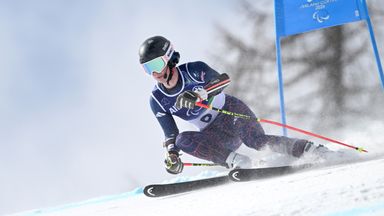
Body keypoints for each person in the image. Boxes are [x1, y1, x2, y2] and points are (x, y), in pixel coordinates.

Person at [139, 36, 329, 174]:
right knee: (182, 140)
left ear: (170, 59)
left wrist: (199, 94)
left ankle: (308, 149)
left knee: (256, 141)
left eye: (156, 65)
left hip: (231, 112)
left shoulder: (193, 70)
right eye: (148, 68)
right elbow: (171, 134)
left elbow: (223, 80)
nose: (154, 73)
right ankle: (237, 162)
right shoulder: (157, 100)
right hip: (215, 134)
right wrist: (172, 156)